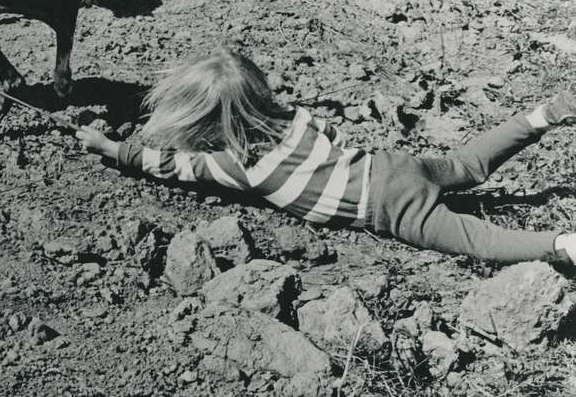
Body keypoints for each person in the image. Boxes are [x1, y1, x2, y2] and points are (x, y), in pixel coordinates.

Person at [76, 47, 576, 264]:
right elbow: (333, 134)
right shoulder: (293, 117)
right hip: (392, 163)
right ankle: (546, 114)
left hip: (386, 208)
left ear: (205, 126)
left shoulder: (235, 166)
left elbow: (168, 166)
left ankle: (560, 244)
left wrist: (111, 148)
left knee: (478, 239)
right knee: (465, 164)